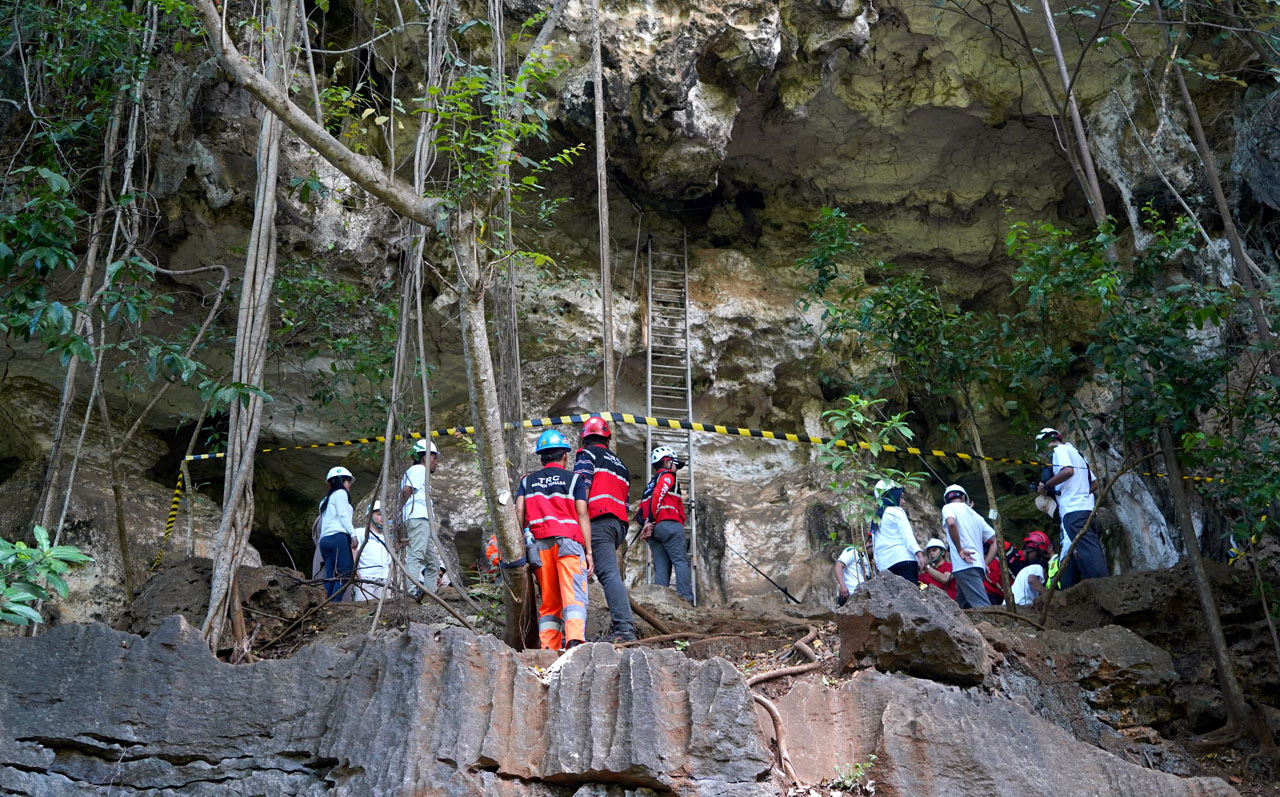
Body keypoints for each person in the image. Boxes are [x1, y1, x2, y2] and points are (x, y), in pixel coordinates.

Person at [516, 429, 594, 651]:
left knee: (549, 600)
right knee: (574, 594)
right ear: (565, 456)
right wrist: (588, 552)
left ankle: (548, 649)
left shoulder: (527, 481)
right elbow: (582, 515)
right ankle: (575, 640)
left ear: (541, 457)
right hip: (569, 542)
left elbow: (519, 511)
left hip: (539, 544)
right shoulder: (575, 480)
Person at [573, 416, 637, 642]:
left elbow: (581, 490)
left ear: (584, 440)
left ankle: (624, 629)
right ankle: (620, 626)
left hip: (598, 521)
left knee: (608, 574)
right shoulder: (622, 465)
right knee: (609, 572)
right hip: (618, 525)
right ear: (607, 439)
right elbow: (626, 501)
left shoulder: (586, 455)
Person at [1036, 428, 1106, 588]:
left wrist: (1046, 486)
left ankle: (1104, 586)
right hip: (1084, 508)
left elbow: (1068, 471)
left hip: (1073, 510)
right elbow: (1094, 484)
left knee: (1087, 550)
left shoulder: (1059, 450)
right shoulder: (1078, 454)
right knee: (1080, 550)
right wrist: (1079, 492)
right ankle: (1089, 588)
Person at [637, 446, 694, 603]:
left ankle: (660, 602)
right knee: (680, 561)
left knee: (661, 565)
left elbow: (639, 512)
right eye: (675, 464)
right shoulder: (668, 476)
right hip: (668, 524)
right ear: (667, 463)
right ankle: (685, 599)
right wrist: (652, 518)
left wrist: (646, 523)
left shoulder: (649, 485)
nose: (676, 468)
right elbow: (659, 494)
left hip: (654, 531)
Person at [400, 438, 443, 597]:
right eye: (434, 457)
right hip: (418, 517)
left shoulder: (416, 471)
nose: (436, 462)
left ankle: (429, 594)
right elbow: (406, 491)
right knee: (416, 554)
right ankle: (411, 592)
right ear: (424, 457)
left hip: (421, 520)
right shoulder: (419, 470)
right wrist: (399, 511)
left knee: (433, 563)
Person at [941, 483, 997, 608]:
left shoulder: (948, 508)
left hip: (964, 565)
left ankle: (994, 627)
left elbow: (951, 523)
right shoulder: (977, 516)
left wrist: (960, 549)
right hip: (976, 566)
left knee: (982, 607)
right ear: (964, 498)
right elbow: (995, 541)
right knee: (961, 607)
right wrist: (985, 562)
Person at [870, 479, 925, 583]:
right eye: (901, 497)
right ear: (892, 495)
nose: (903, 502)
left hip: (885, 566)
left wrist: (877, 568)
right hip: (904, 560)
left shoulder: (876, 517)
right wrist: (919, 553)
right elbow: (907, 535)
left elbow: (875, 545)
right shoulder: (896, 511)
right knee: (909, 597)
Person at [317, 466, 357, 601]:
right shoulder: (341, 493)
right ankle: (333, 604)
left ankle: (325, 604)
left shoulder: (325, 501)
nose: (349, 484)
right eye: (347, 481)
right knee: (345, 573)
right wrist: (353, 534)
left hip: (325, 541)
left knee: (331, 576)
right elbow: (343, 516)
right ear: (340, 481)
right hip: (338, 537)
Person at [353, 501, 391, 601]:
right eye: (379, 514)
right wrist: (355, 570)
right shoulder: (360, 533)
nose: (382, 518)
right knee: (364, 608)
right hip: (366, 577)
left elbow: (390, 560)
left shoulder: (386, 538)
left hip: (384, 579)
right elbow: (354, 550)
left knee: (385, 610)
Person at [1011, 530, 1052, 606]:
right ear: (1030, 549)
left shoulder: (1025, 568)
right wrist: (1046, 595)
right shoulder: (1037, 567)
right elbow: (1031, 579)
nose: (1038, 559)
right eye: (1038, 555)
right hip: (1019, 604)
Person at [833, 542, 871, 607]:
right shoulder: (852, 551)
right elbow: (838, 565)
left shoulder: (867, 560)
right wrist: (842, 584)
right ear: (869, 542)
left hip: (862, 596)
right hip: (850, 594)